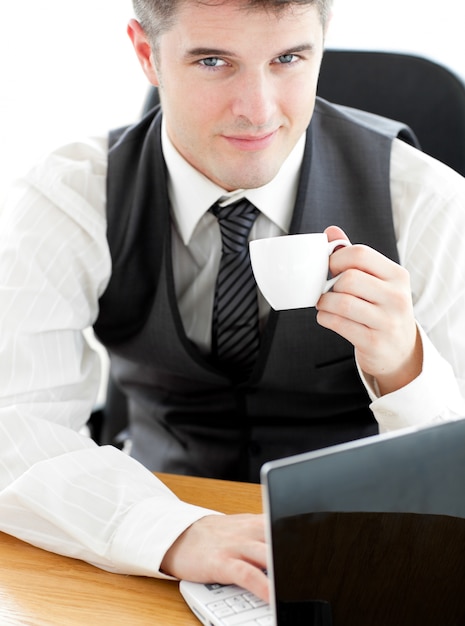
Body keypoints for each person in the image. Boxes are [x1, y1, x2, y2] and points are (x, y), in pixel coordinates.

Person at [1, 0, 465, 602]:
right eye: (215, 61)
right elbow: (13, 427)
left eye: (289, 58)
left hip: (353, 553)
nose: (258, 110)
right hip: (148, 536)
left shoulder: (427, 202)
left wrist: (407, 368)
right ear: (148, 54)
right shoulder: (73, 193)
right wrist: (175, 531)